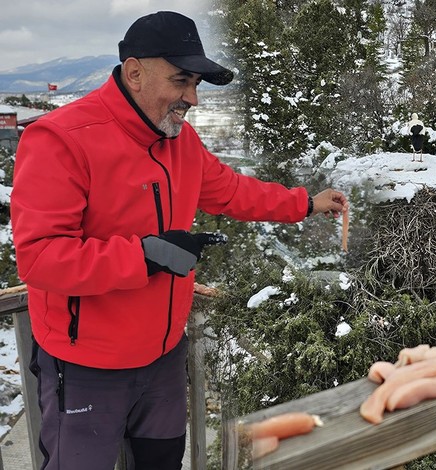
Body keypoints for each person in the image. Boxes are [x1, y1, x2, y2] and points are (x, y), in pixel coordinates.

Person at [10, 11, 347, 470]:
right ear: (134, 72)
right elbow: (41, 258)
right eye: (181, 80)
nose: (192, 98)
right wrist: (145, 255)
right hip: (86, 366)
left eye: (197, 85)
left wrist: (306, 203)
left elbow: (231, 191)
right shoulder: (61, 139)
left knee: (162, 462)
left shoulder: (180, 141)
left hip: (163, 358)